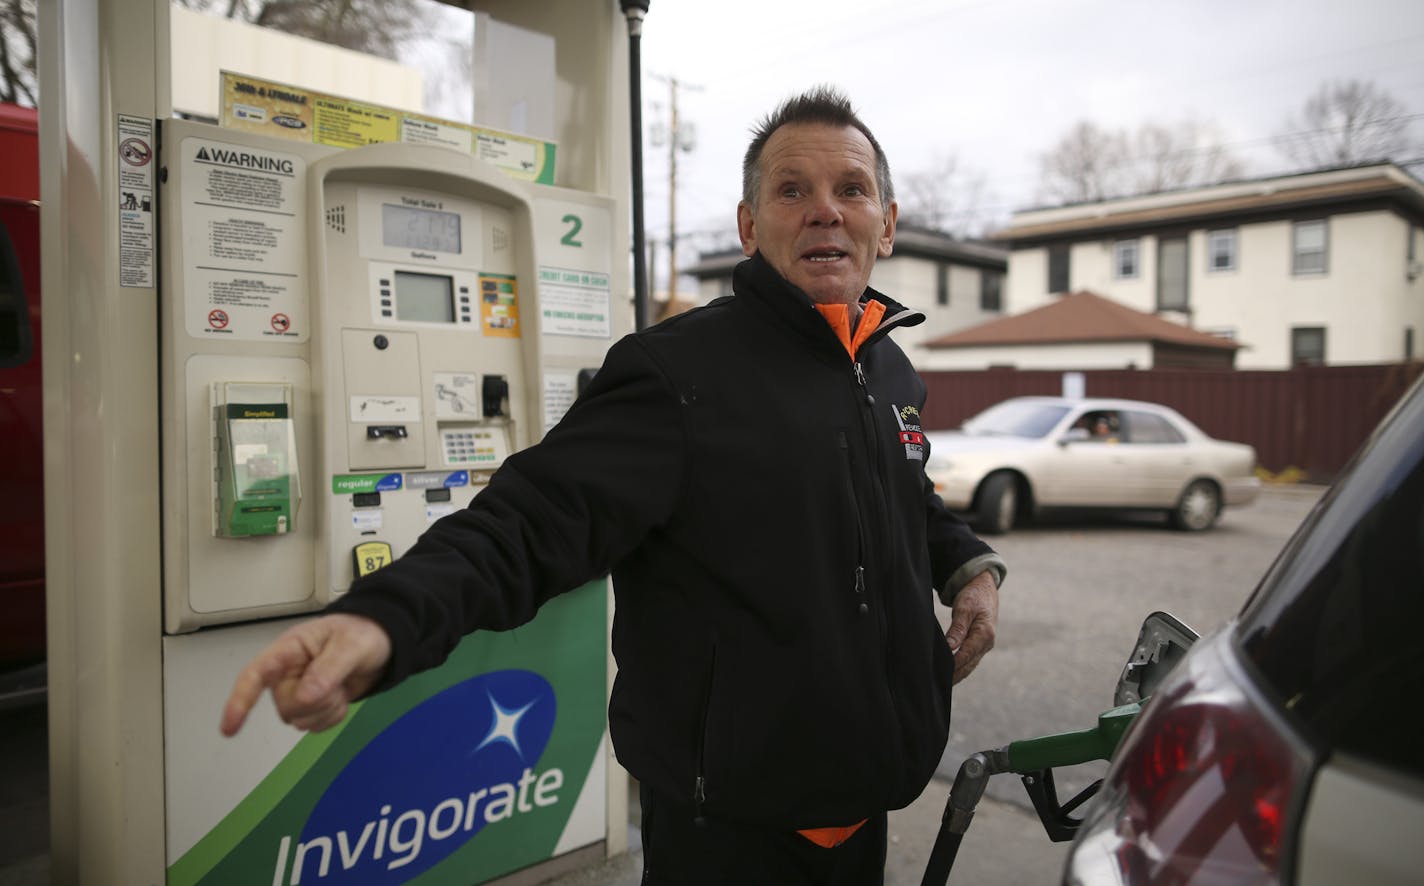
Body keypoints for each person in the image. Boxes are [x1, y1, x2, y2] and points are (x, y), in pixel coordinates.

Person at [220, 85, 1006, 885]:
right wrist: (383, 620)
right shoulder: (679, 375)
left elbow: (902, 492)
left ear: (888, 222)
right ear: (748, 225)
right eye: (791, 189)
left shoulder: (887, 365)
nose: (824, 211)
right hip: (730, 821)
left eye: (851, 190)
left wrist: (967, 564)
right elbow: (531, 520)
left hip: (865, 794)